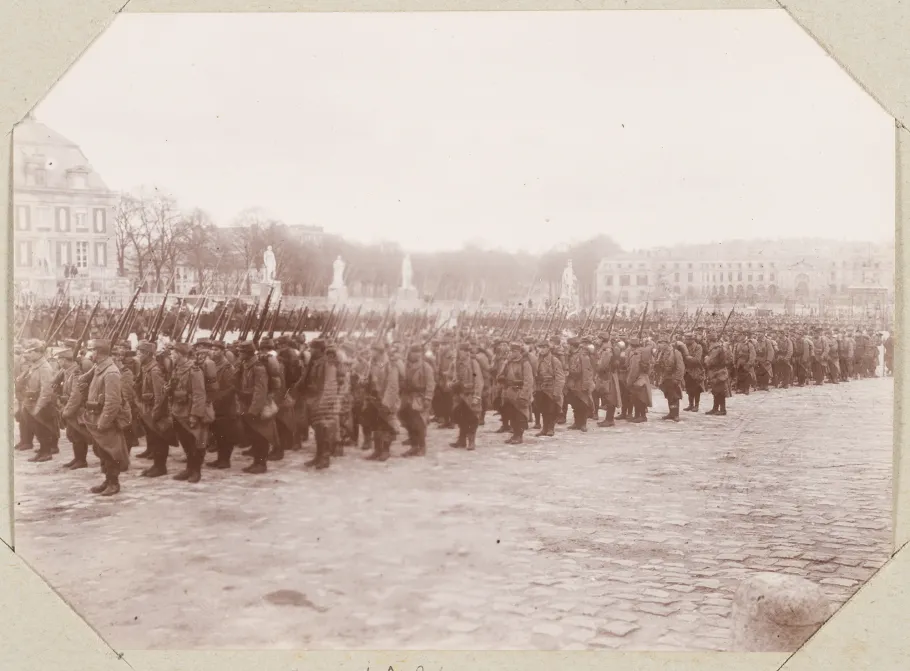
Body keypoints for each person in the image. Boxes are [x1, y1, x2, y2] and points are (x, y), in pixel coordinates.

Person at [81, 339, 131, 496]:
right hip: (96, 416)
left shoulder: (111, 373)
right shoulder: (99, 368)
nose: (89, 354)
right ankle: (108, 480)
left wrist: (104, 422)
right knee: (101, 450)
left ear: (98, 352)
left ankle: (114, 483)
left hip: (106, 419)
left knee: (111, 452)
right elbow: (83, 380)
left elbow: (113, 402)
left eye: (91, 350)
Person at [168, 343, 207, 483]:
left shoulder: (194, 370)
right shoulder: (176, 368)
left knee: (195, 442)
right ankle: (189, 469)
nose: (171, 356)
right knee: (185, 442)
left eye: (173, 353)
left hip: (189, 412)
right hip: (178, 411)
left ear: (180, 354)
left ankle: (196, 471)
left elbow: (199, 394)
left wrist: (195, 415)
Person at [236, 340, 278, 474]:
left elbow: (260, 391)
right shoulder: (246, 364)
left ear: (247, 353)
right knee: (254, 435)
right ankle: (256, 462)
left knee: (261, 436)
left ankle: (261, 464)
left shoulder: (258, 367)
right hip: (247, 405)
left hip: (257, 407)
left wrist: (254, 411)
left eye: (241, 352)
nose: (239, 354)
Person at [135, 340, 174, 478]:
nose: (137, 355)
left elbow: (160, 395)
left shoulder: (155, 370)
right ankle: (156, 465)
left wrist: (156, 413)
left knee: (160, 439)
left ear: (146, 353)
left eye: (139, 352)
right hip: (149, 409)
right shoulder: (146, 368)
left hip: (155, 410)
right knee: (156, 439)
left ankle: (160, 467)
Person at [20, 339, 59, 463]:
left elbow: (46, 390)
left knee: (42, 428)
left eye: (30, 352)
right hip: (31, 402)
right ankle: (43, 451)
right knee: (36, 428)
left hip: (40, 404)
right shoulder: (35, 365)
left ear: (38, 352)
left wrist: (39, 407)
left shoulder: (44, 367)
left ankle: (46, 452)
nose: (28, 355)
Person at [399, 343, 436, 456]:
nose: (416, 355)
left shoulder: (426, 367)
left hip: (419, 397)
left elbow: (431, 384)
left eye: (418, 352)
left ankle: (422, 447)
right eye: (414, 352)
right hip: (407, 397)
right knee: (409, 423)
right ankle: (414, 446)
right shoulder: (405, 366)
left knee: (419, 424)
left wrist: (428, 398)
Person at [497, 342, 534, 444]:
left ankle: (519, 436)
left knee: (520, 415)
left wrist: (524, 396)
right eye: (511, 351)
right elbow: (500, 375)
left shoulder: (525, 363)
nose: (511, 353)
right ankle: (514, 435)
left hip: (520, 391)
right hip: (509, 393)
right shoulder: (509, 362)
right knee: (511, 414)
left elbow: (528, 381)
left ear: (518, 352)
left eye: (514, 351)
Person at [536, 340, 566, 435]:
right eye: (540, 347)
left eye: (544, 347)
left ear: (549, 349)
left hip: (551, 388)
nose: (542, 350)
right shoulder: (538, 360)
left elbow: (560, 377)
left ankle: (550, 428)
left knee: (551, 410)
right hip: (541, 388)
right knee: (543, 410)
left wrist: (557, 392)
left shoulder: (554, 360)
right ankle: (544, 428)